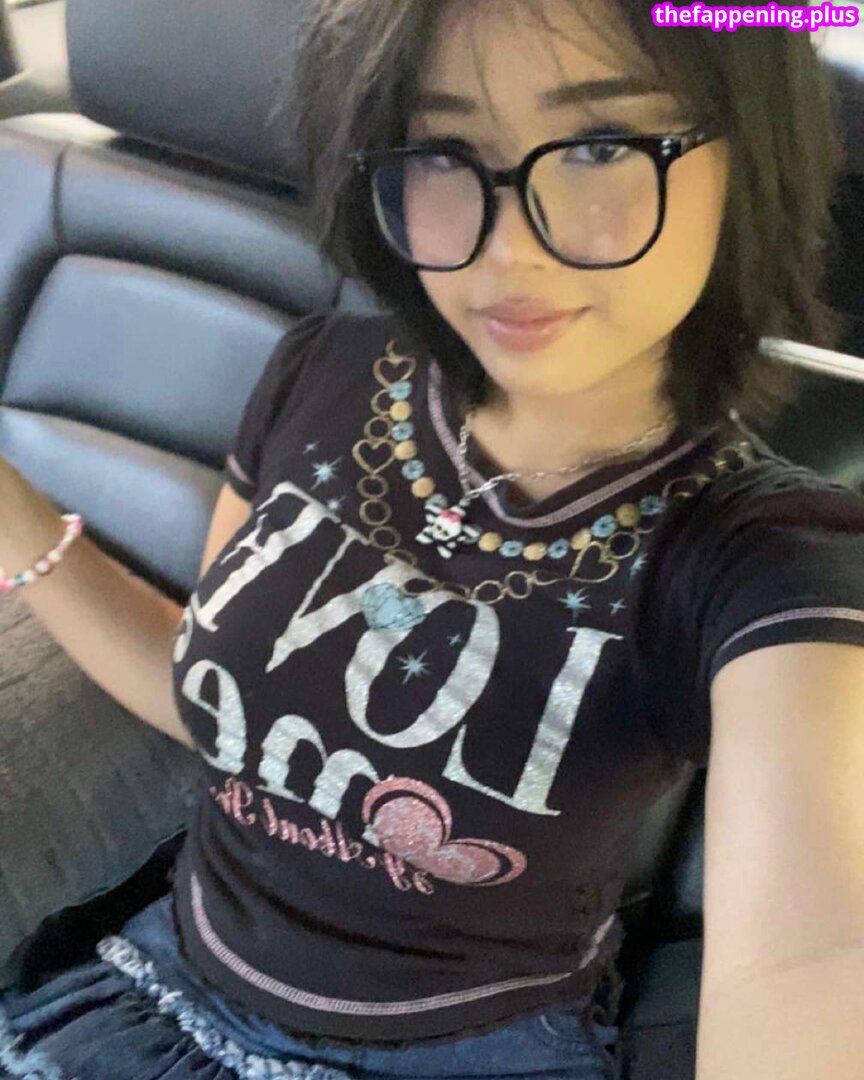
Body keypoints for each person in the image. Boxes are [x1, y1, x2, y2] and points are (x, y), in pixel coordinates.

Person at [1, 1, 864, 1078]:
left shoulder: (770, 555)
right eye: (442, 151)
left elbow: (806, 962)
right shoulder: (321, 369)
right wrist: (17, 518)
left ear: (751, 158)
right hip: (159, 974)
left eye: (601, 144)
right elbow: (208, 701)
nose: (508, 246)